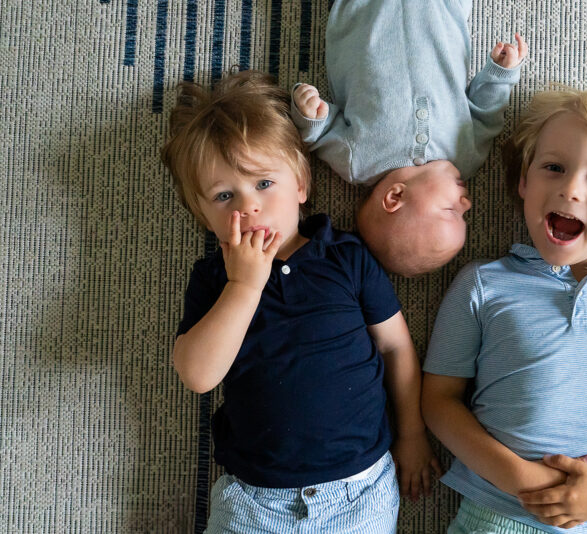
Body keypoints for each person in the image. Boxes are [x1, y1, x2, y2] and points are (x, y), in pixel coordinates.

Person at [161, 70, 441, 534]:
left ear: (301, 186)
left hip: (359, 490)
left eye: (264, 184)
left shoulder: (345, 257)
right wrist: (244, 287)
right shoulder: (214, 279)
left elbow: (395, 347)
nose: (247, 207)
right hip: (256, 500)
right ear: (202, 215)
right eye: (224, 195)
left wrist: (411, 434)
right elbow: (197, 375)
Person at [421, 77, 587, 533]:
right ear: (524, 181)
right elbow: (439, 401)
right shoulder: (484, 284)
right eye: (554, 168)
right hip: (498, 512)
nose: (572, 190)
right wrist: (519, 478)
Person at [290, 0, 527, 276]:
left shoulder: (357, 162)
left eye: (452, 211)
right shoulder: (466, 156)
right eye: (466, 214)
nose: (468, 203)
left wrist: (310, 115)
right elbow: (486, 112)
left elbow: (321, 134)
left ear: (396, 196)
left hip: (364, 11)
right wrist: (500, 74)